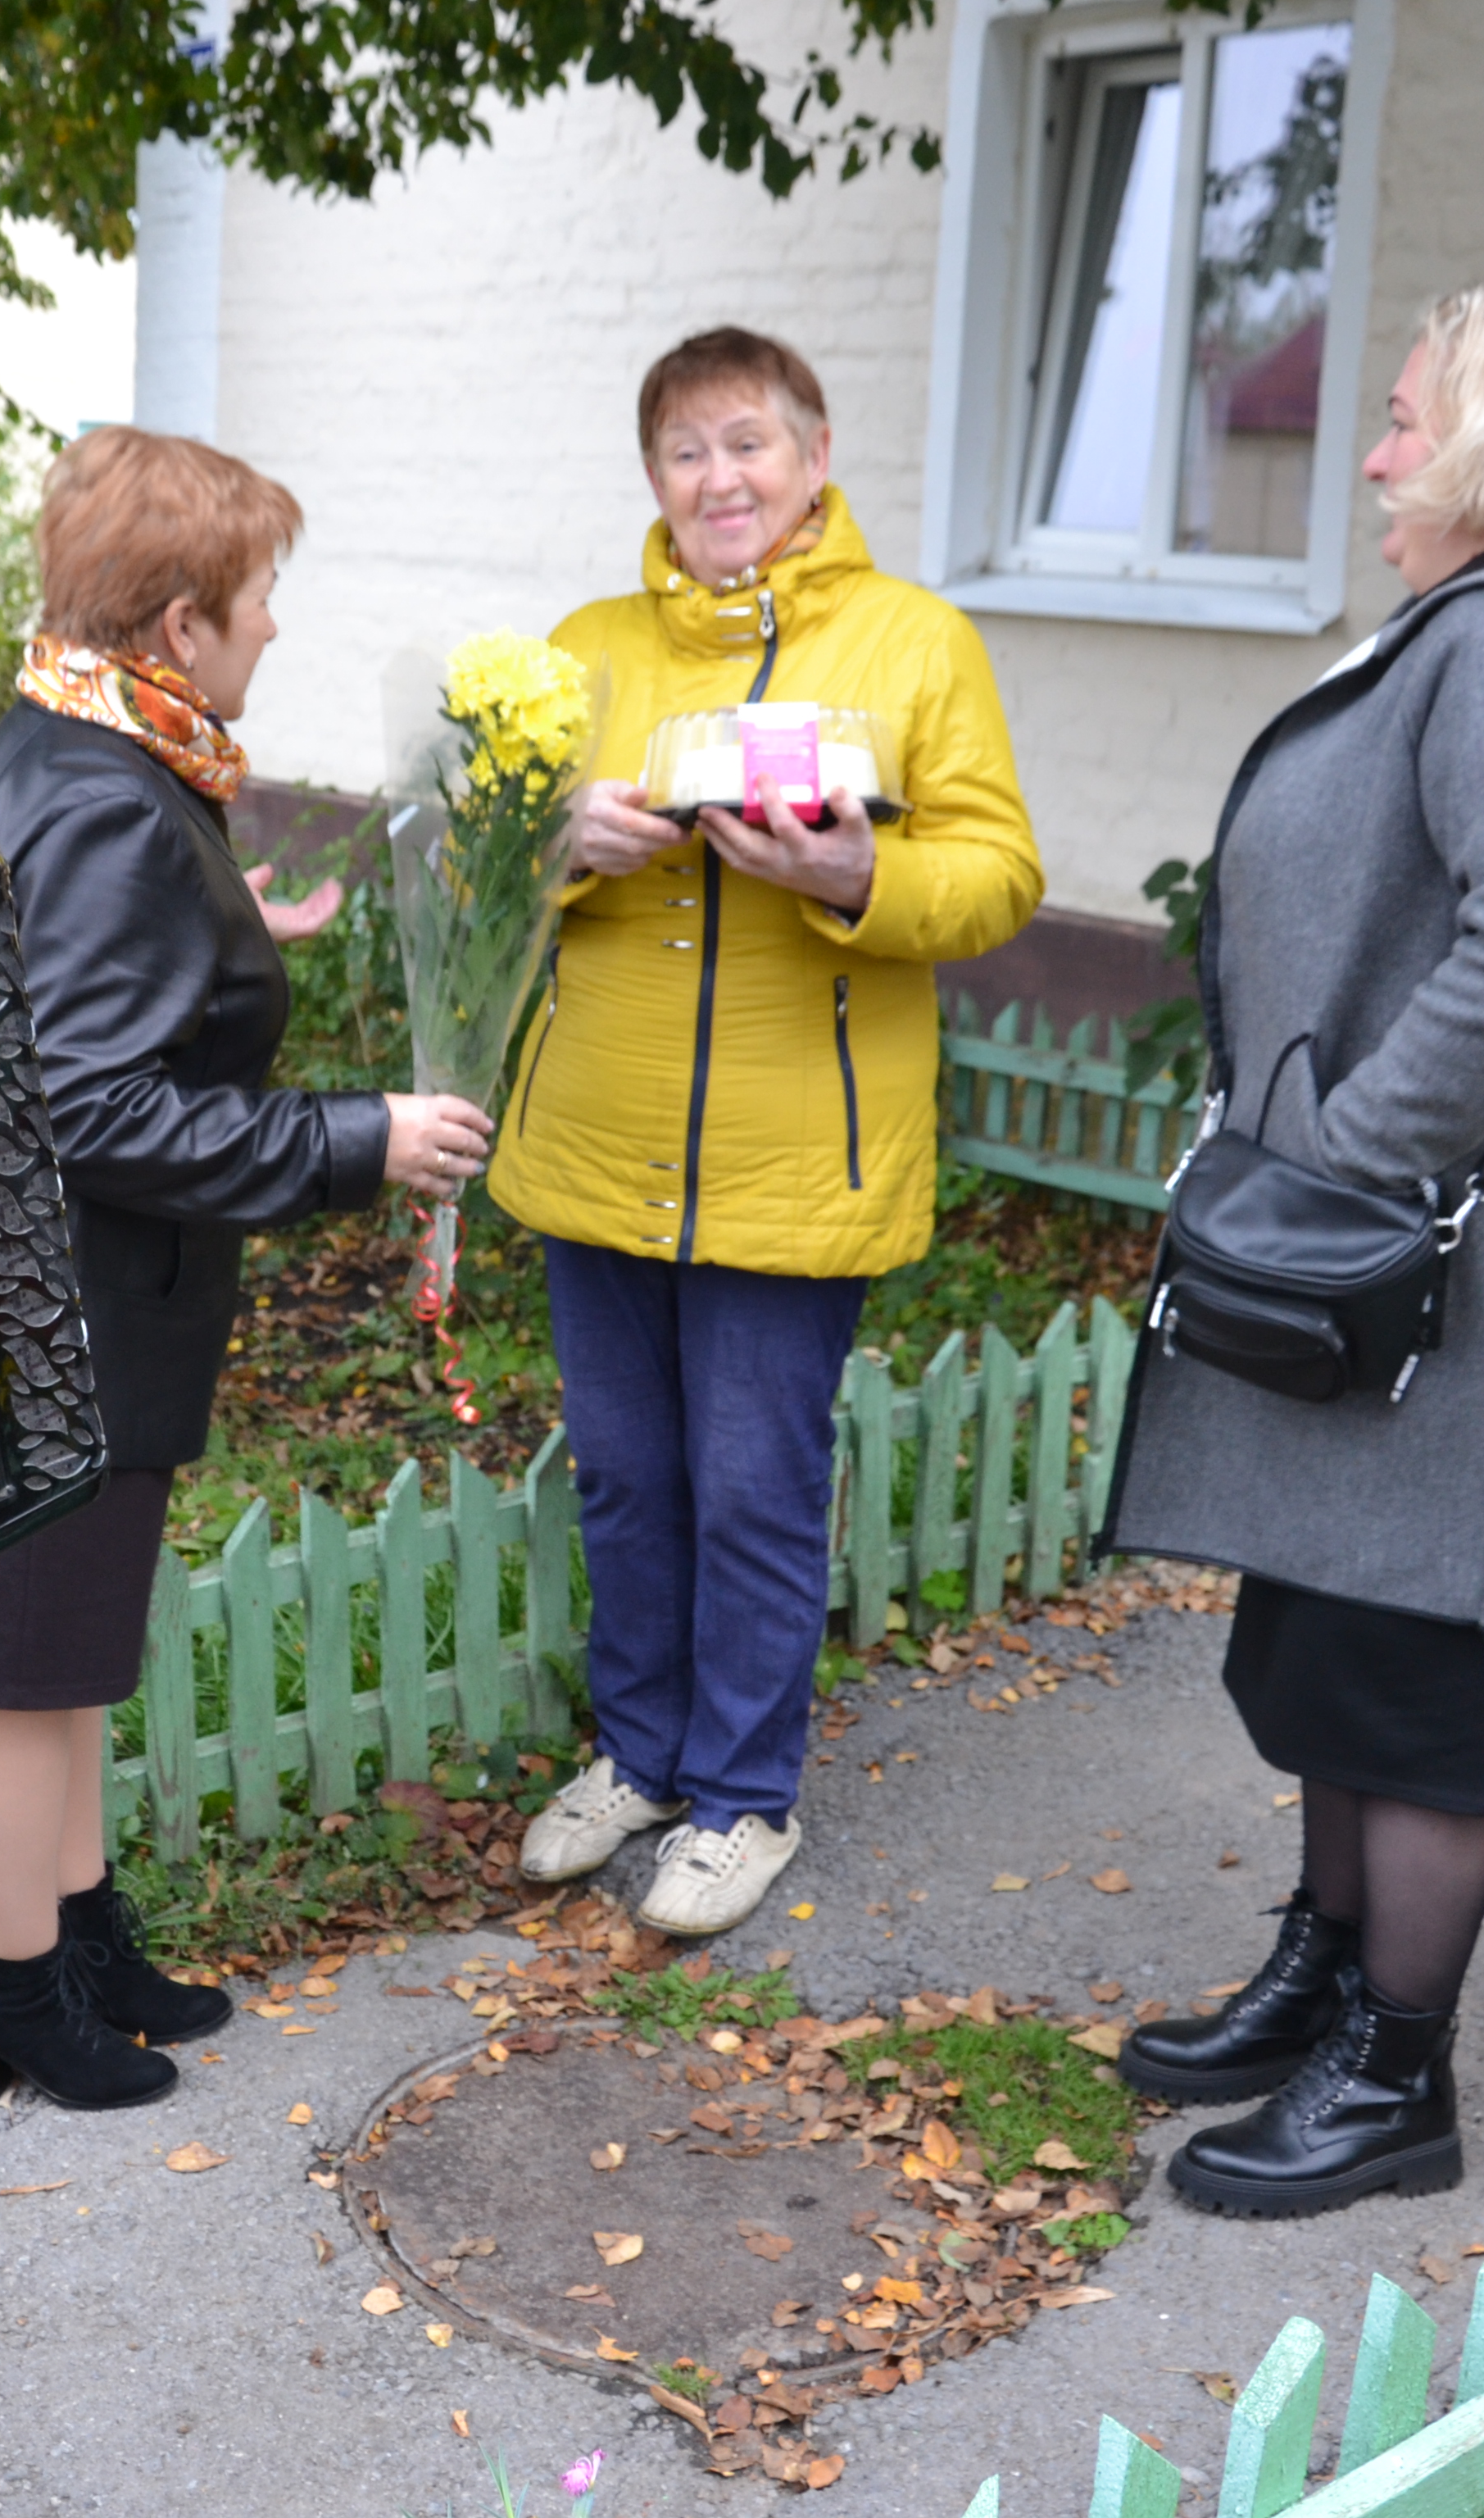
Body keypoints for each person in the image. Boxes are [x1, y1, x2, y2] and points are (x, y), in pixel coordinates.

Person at [1104, 275, 1484, 2219]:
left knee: (1428, 1684)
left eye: (1399, 415)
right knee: (1339, 1632)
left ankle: (1397, 2077)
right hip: (1430, 1267)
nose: (1370, 450)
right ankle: (1325, 1972)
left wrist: (1351, 1163)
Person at [0, 427, 495, 2103]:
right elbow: (96, 1113)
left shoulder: (74, 744)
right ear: (180, 620)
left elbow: (44, 968)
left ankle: (77, 1938)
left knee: (61, 1658)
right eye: (261, 594)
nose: (276, 624)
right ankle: (4, 2002)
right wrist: (363, 1139)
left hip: (65, 1319)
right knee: (6, 1681)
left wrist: (225, 935)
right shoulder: (117, 801)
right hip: (58, 1324)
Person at [496, 327, 1044, 1938]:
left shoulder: (916, 640)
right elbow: (479, 879)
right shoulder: (584, 645)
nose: (719, 477)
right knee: (621, 1478)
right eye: (686, 450)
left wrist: (853, 878)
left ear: (814, 454)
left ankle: (744, 1797)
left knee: (749, 1489)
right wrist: (555, 839)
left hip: (795, 1154)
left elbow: (1000, 874)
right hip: (593, 1139)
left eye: (749, 442)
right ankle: (645, 1757)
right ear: (652, 476)